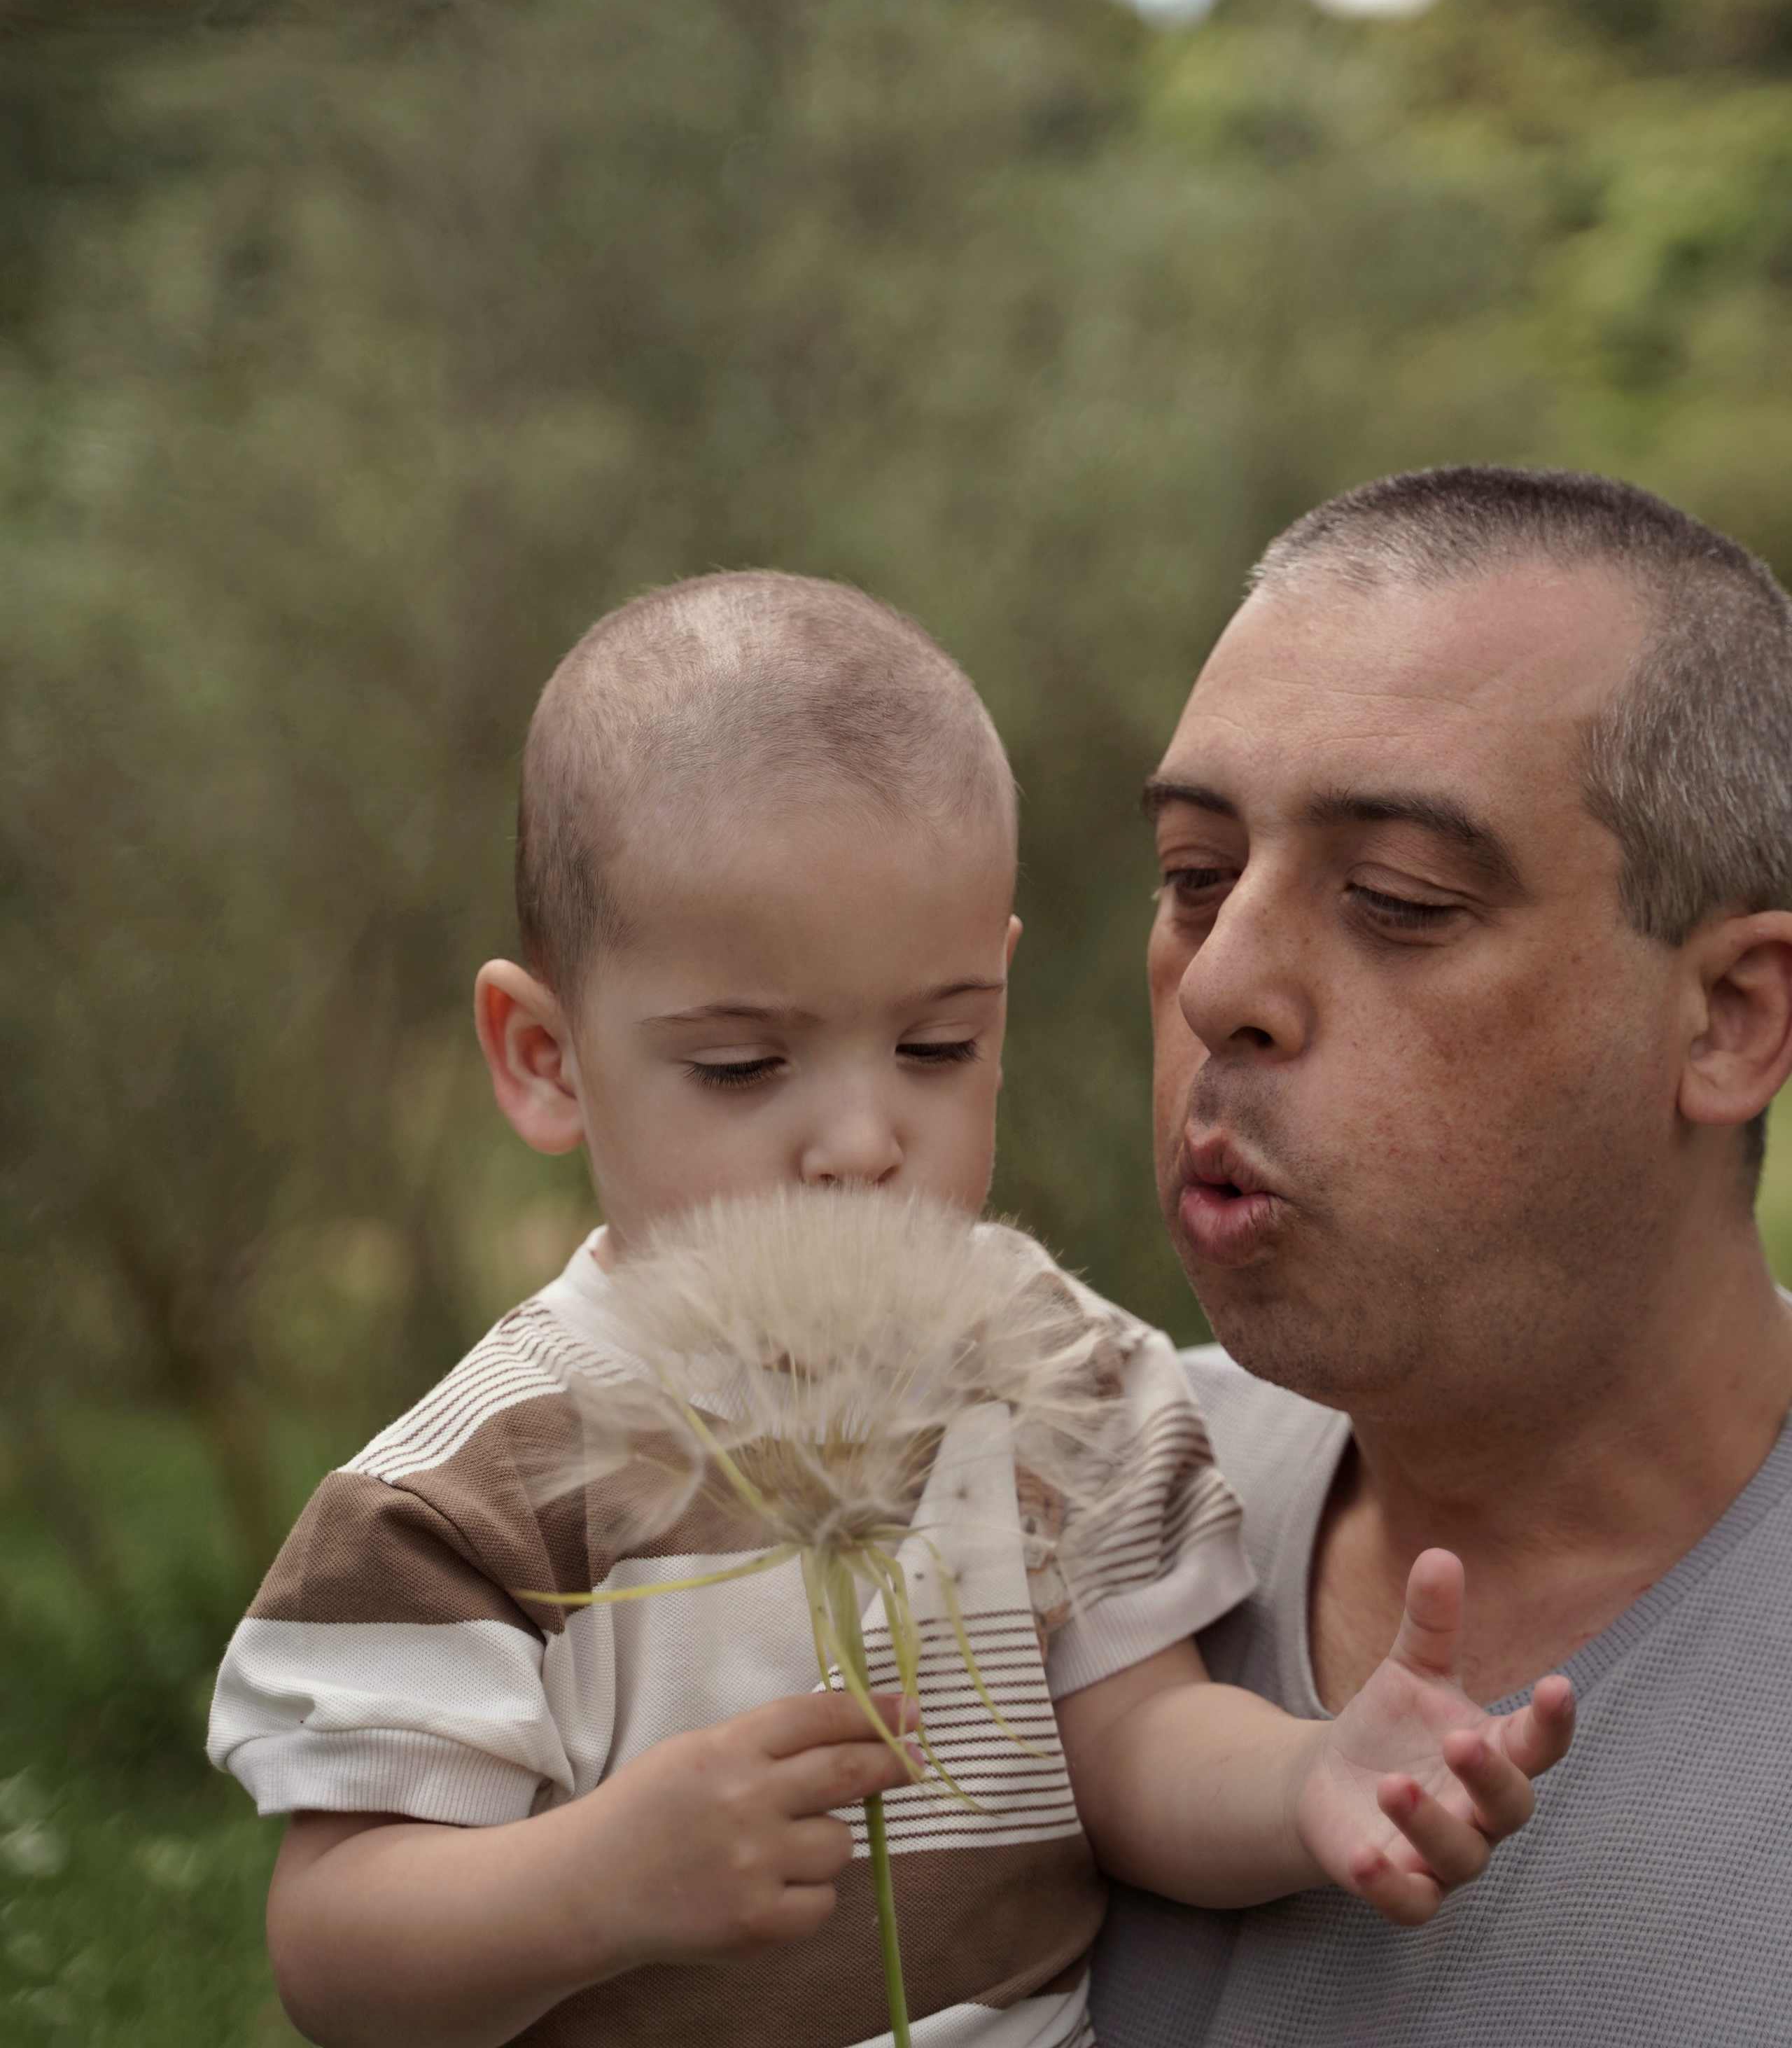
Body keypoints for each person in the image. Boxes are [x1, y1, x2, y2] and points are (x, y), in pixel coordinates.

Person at [208, 570, 1568, 2048]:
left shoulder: (1054, 1378)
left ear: (1000, 992)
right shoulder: (477, 1491)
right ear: (542, 1058)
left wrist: (1309, 1782)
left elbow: (1130, 1752)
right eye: (741, 1067)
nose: (861, 1140)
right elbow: (332, 1953)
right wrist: (594, 1885)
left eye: (934, 1046)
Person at [1091, 464, 1792, 2048]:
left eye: (1394, 902)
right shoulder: (1052, 1526)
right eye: (1195, 878)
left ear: (1728, 1017)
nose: (1220, 988)